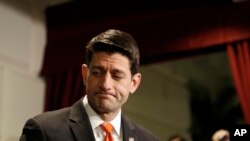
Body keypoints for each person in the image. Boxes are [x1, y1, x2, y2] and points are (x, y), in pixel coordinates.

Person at [19, 29, 160, 141]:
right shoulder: (44, 130)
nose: (106, 84)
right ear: (85, 74)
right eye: (98, 72)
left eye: (116, 76)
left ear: (134, 83)